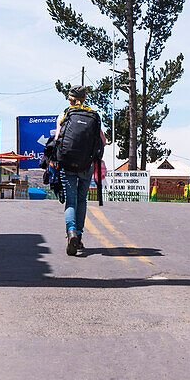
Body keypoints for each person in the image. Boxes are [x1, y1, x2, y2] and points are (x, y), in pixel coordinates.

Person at [53, 85, 106, 257]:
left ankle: (71, 232)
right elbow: (103, 141)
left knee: (71, 201)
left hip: (67, 164)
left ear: (70, 98)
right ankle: (80, 236)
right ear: (84, 98)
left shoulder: (65, 115)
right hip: (86, 165)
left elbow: (57, 139)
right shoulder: (93, 115)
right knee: (82, 200)